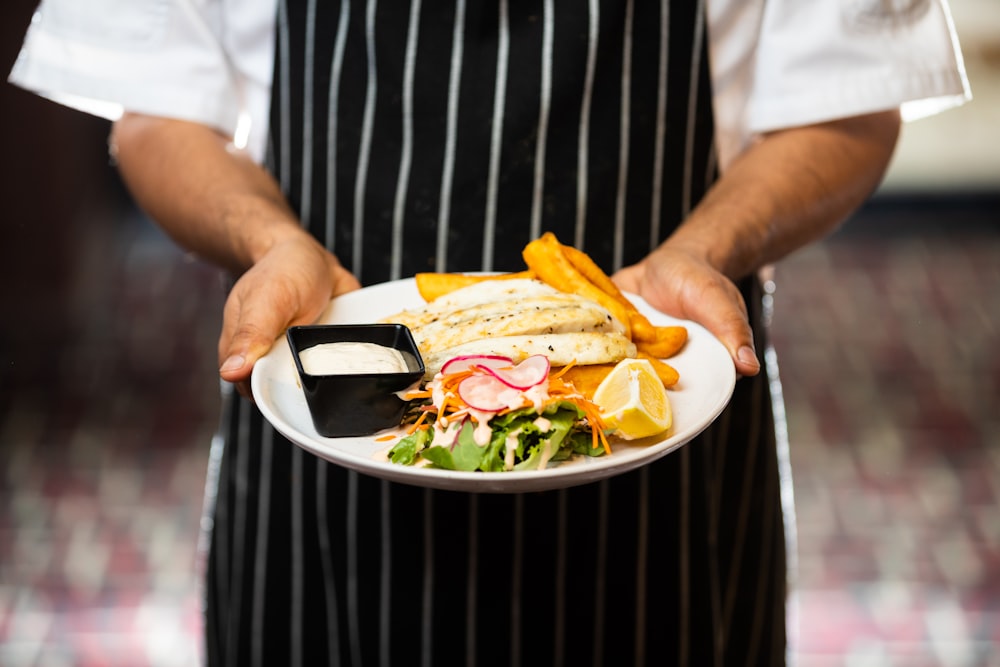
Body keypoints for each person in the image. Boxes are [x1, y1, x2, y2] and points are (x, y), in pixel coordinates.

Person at [10, 0, 969, 664]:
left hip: (656, 446)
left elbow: (854, 99)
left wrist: (706, 247)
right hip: (325, 430)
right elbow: (156, 111)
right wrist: (269, 242)